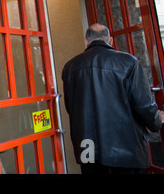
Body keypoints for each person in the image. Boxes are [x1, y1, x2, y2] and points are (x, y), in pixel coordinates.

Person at [62, 23, 164, 174]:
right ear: (110, 41)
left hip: (87, 147)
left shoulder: (70, 67)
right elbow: (142, 104)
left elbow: (71, 108)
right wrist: (156, 120)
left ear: (86, 41)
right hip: (126, 147)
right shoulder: (129, 62)